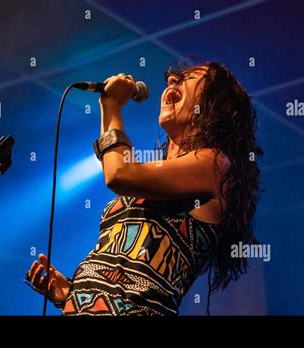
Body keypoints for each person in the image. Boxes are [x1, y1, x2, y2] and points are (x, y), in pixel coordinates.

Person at [27, 60, 263, 315]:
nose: (172, 81)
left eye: (189, 77)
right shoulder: (154, 176)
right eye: (172, 78)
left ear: (215, 105)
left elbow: (119, 174)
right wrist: (71, 294)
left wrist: (112, 106)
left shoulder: (215, 164)